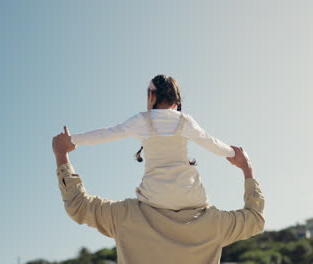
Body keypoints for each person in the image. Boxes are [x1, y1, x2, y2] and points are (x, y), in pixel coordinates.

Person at [53, 126, 265, 264]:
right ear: (189, 169)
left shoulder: (125, 216)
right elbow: (255, 219)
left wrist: (62, 156)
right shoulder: (214, 223)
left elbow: (78, 206)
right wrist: (247, 169)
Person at [68, 74, 235, 210]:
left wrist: (72, 140)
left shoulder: (142, 120)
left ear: (151, 95)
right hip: (190, 196)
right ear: (176, 100)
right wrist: (234, 153)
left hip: (156, 198)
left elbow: (106, 134)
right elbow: (211, 143)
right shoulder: (185, 121)